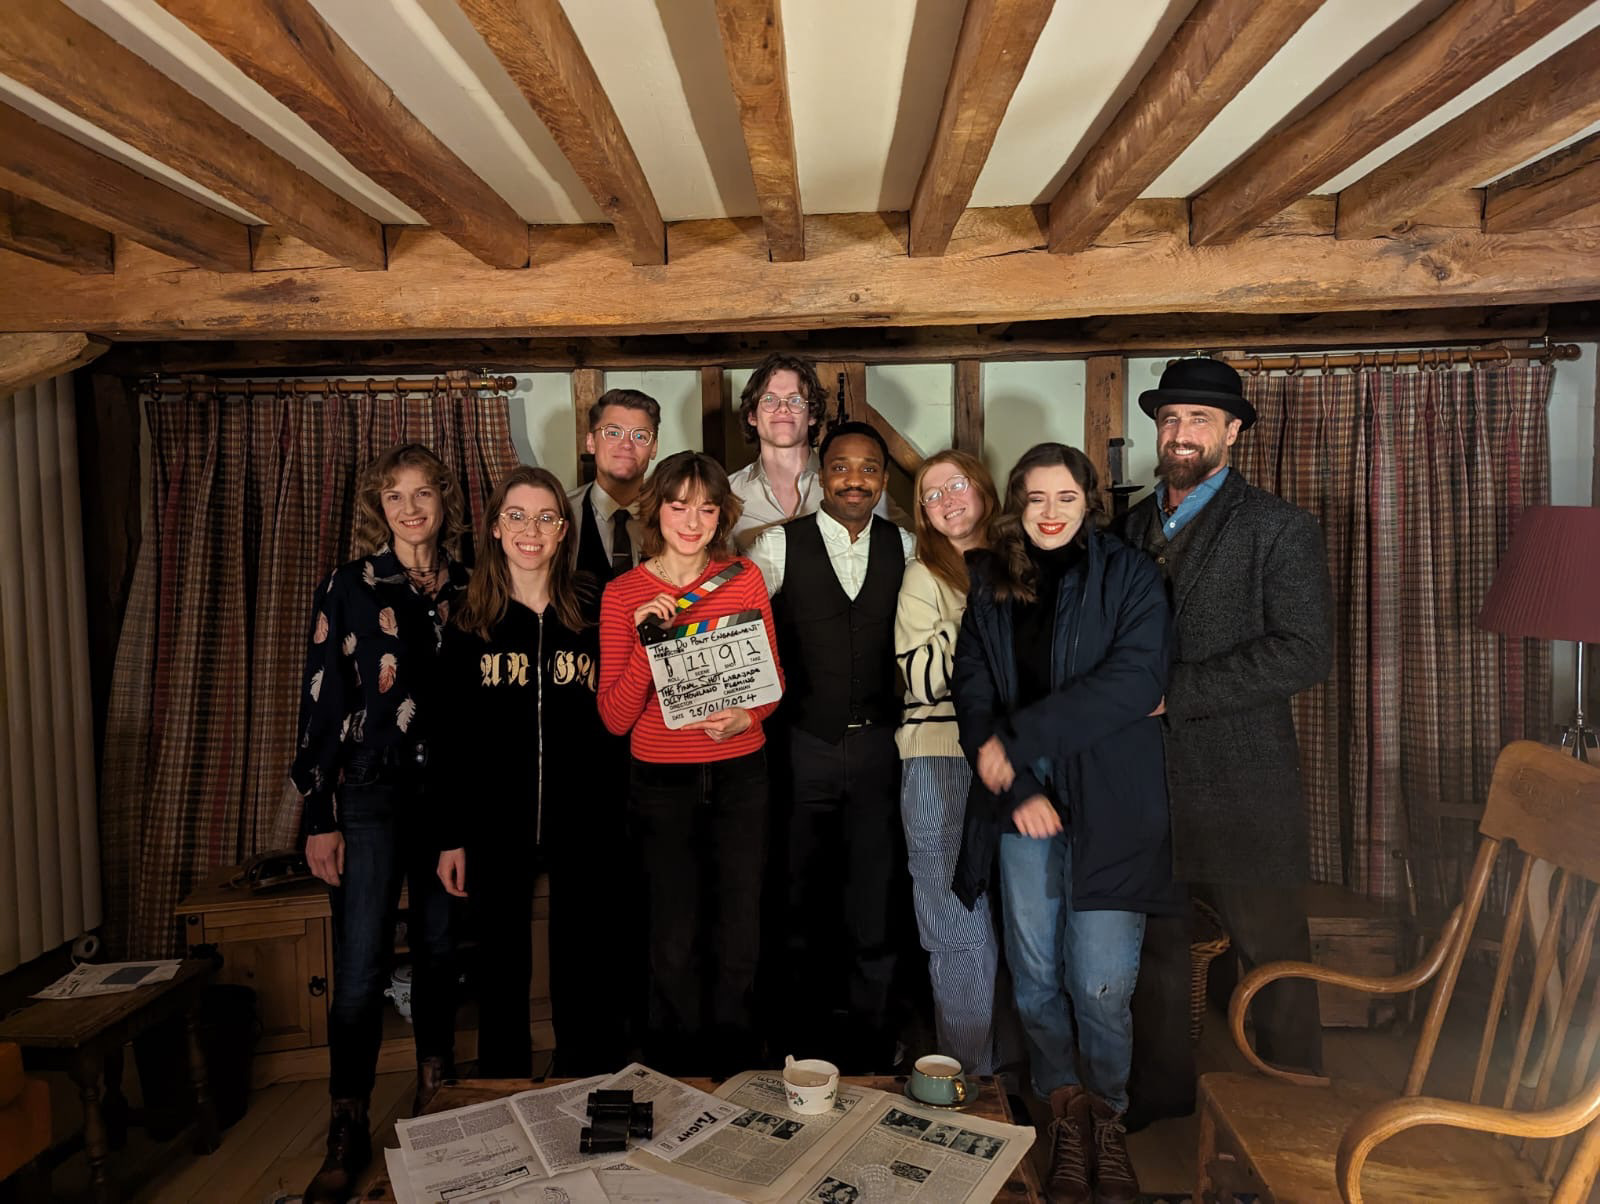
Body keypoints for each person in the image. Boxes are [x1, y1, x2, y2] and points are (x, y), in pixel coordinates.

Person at [952, 443, 1175, 1204]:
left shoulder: (1134, 577)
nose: (1049, 514)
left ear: (1089, 503)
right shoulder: (990, 582)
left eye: (1065, 499)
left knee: (1102, 983)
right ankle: (1064, 1114)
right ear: (1016, 503)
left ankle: (1108, 1119)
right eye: (1035, 499)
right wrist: (1014, 788)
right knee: (1040, 976)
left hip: (1114, 795)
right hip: (1021, 798)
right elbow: (973, 694)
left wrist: (1014, 744)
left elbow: (1134, 683)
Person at [1116, 357, 1333, 1127]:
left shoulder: (1280, 527)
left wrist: (1177, 693)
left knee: (1271, 952)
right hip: (1147, 782)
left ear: (1233, 431)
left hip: (1246, 779)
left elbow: (1304, 651)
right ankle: (1166, 1102)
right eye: (1170, 419)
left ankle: (1294, 1106)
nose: (1181, 434)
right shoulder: (1129, 526)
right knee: (1159, 953)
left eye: (1200, 420)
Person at [290, 444, 470, 1204]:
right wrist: (317, 811)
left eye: (423, 493)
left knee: (437, 952)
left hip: (449, 798)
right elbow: (323, 700)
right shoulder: (349, 586)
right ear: (379, 506)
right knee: (361, 965)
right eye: (395, 496)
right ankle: (347, 1120)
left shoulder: (471, 586)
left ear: (442, 502)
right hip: (366, 791)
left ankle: (435, 1096)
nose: (410, 508)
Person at [432, 466, 630, 1078]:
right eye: (516, 516)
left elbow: (624, 708)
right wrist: (450, 835)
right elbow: (449, 740)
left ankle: (584, 1074)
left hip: (586, 815)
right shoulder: (468, 620)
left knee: (584, 954)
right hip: (496, 818)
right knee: (500, 958)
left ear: (563, 529)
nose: (530, 530)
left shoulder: (594, 609)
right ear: (495, 527)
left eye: (546, 517)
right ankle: (503, 1078)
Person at [597, 451, 782, 1073]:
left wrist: (746, 717)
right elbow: (615, 718)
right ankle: (673, 1064)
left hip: (740, 774)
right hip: (661, 781)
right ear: (657, 510)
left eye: (707, 507)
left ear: (722, 514)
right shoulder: (624, 593)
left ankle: (735, 1062)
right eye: (679, 505)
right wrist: (650, 649)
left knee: (739, 925)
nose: (692, 519)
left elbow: (772, 680)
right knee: (672, 932)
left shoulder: (743, 580)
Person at [747, 421, 915, 1069]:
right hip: (800, 748)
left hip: (880, 749)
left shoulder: (906, 545)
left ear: (882, 479)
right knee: (797, 896)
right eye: (841, 466)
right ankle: (799, 1038)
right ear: (820, 474)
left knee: (874, 899)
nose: (854, 479)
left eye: (869, 468)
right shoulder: (777, 546)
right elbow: (728, 618)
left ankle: (873, 1041)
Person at [894, 450, 1003, 1076]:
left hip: (1022, 759)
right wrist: (985, 608)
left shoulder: (1025, 560)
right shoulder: (923, 576)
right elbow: (922, 678)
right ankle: (967, 1077)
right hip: (939, 757)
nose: (947, 499)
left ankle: (1002, 1071)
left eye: (956, 485)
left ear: (982, 489)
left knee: (1017, 924)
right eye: (932, 495)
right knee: (953, 921)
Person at [728, 352, 898, 550]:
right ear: (752, 416)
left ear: (812, 415)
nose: (783, 409)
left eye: (795, 400)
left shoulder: (854, 484)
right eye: (769, 399)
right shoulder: (729, 493)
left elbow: (909, 546)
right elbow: (720, 569)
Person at [568, 387, 660, 581]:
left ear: (654, 448)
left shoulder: (677, 517)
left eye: (640, 436)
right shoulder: (562, 513)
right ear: (591, 442)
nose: (626, 444)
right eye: (613, 433)